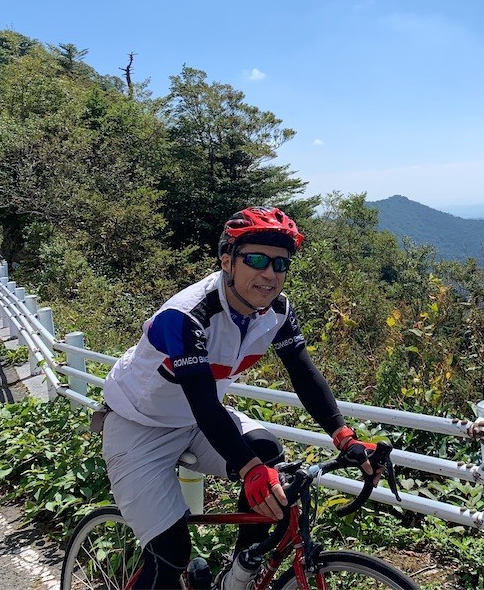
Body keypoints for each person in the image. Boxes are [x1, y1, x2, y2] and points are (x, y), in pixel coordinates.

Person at [100, 206, 378, 589]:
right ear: (227, 261)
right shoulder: (187, 315)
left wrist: (343, 435)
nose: (270, 274)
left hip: (197, 421)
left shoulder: (276, 310)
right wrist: (249, 471)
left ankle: (239, 577)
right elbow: (202, 401)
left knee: (270, 460)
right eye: (257, 260)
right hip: (139, 427)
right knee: (170, 554)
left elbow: (303, 372)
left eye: (280, 264)